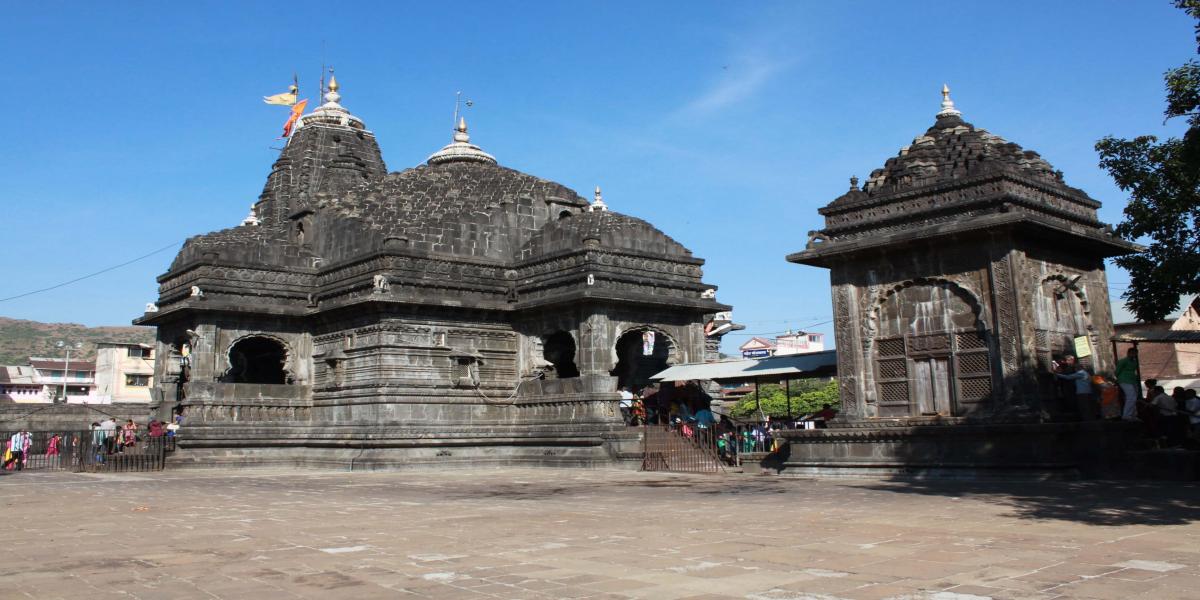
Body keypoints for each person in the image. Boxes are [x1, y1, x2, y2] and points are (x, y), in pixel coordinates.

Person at [1055, 355, 1095, 420]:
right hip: (1087, 391)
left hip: (1082, 392)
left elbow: (1068, 377)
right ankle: (1089, 419)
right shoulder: (1086, 373)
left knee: (1084, 406)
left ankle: (1087, 419)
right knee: (1087, 406)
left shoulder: (1080, 373)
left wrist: (1057, 374)